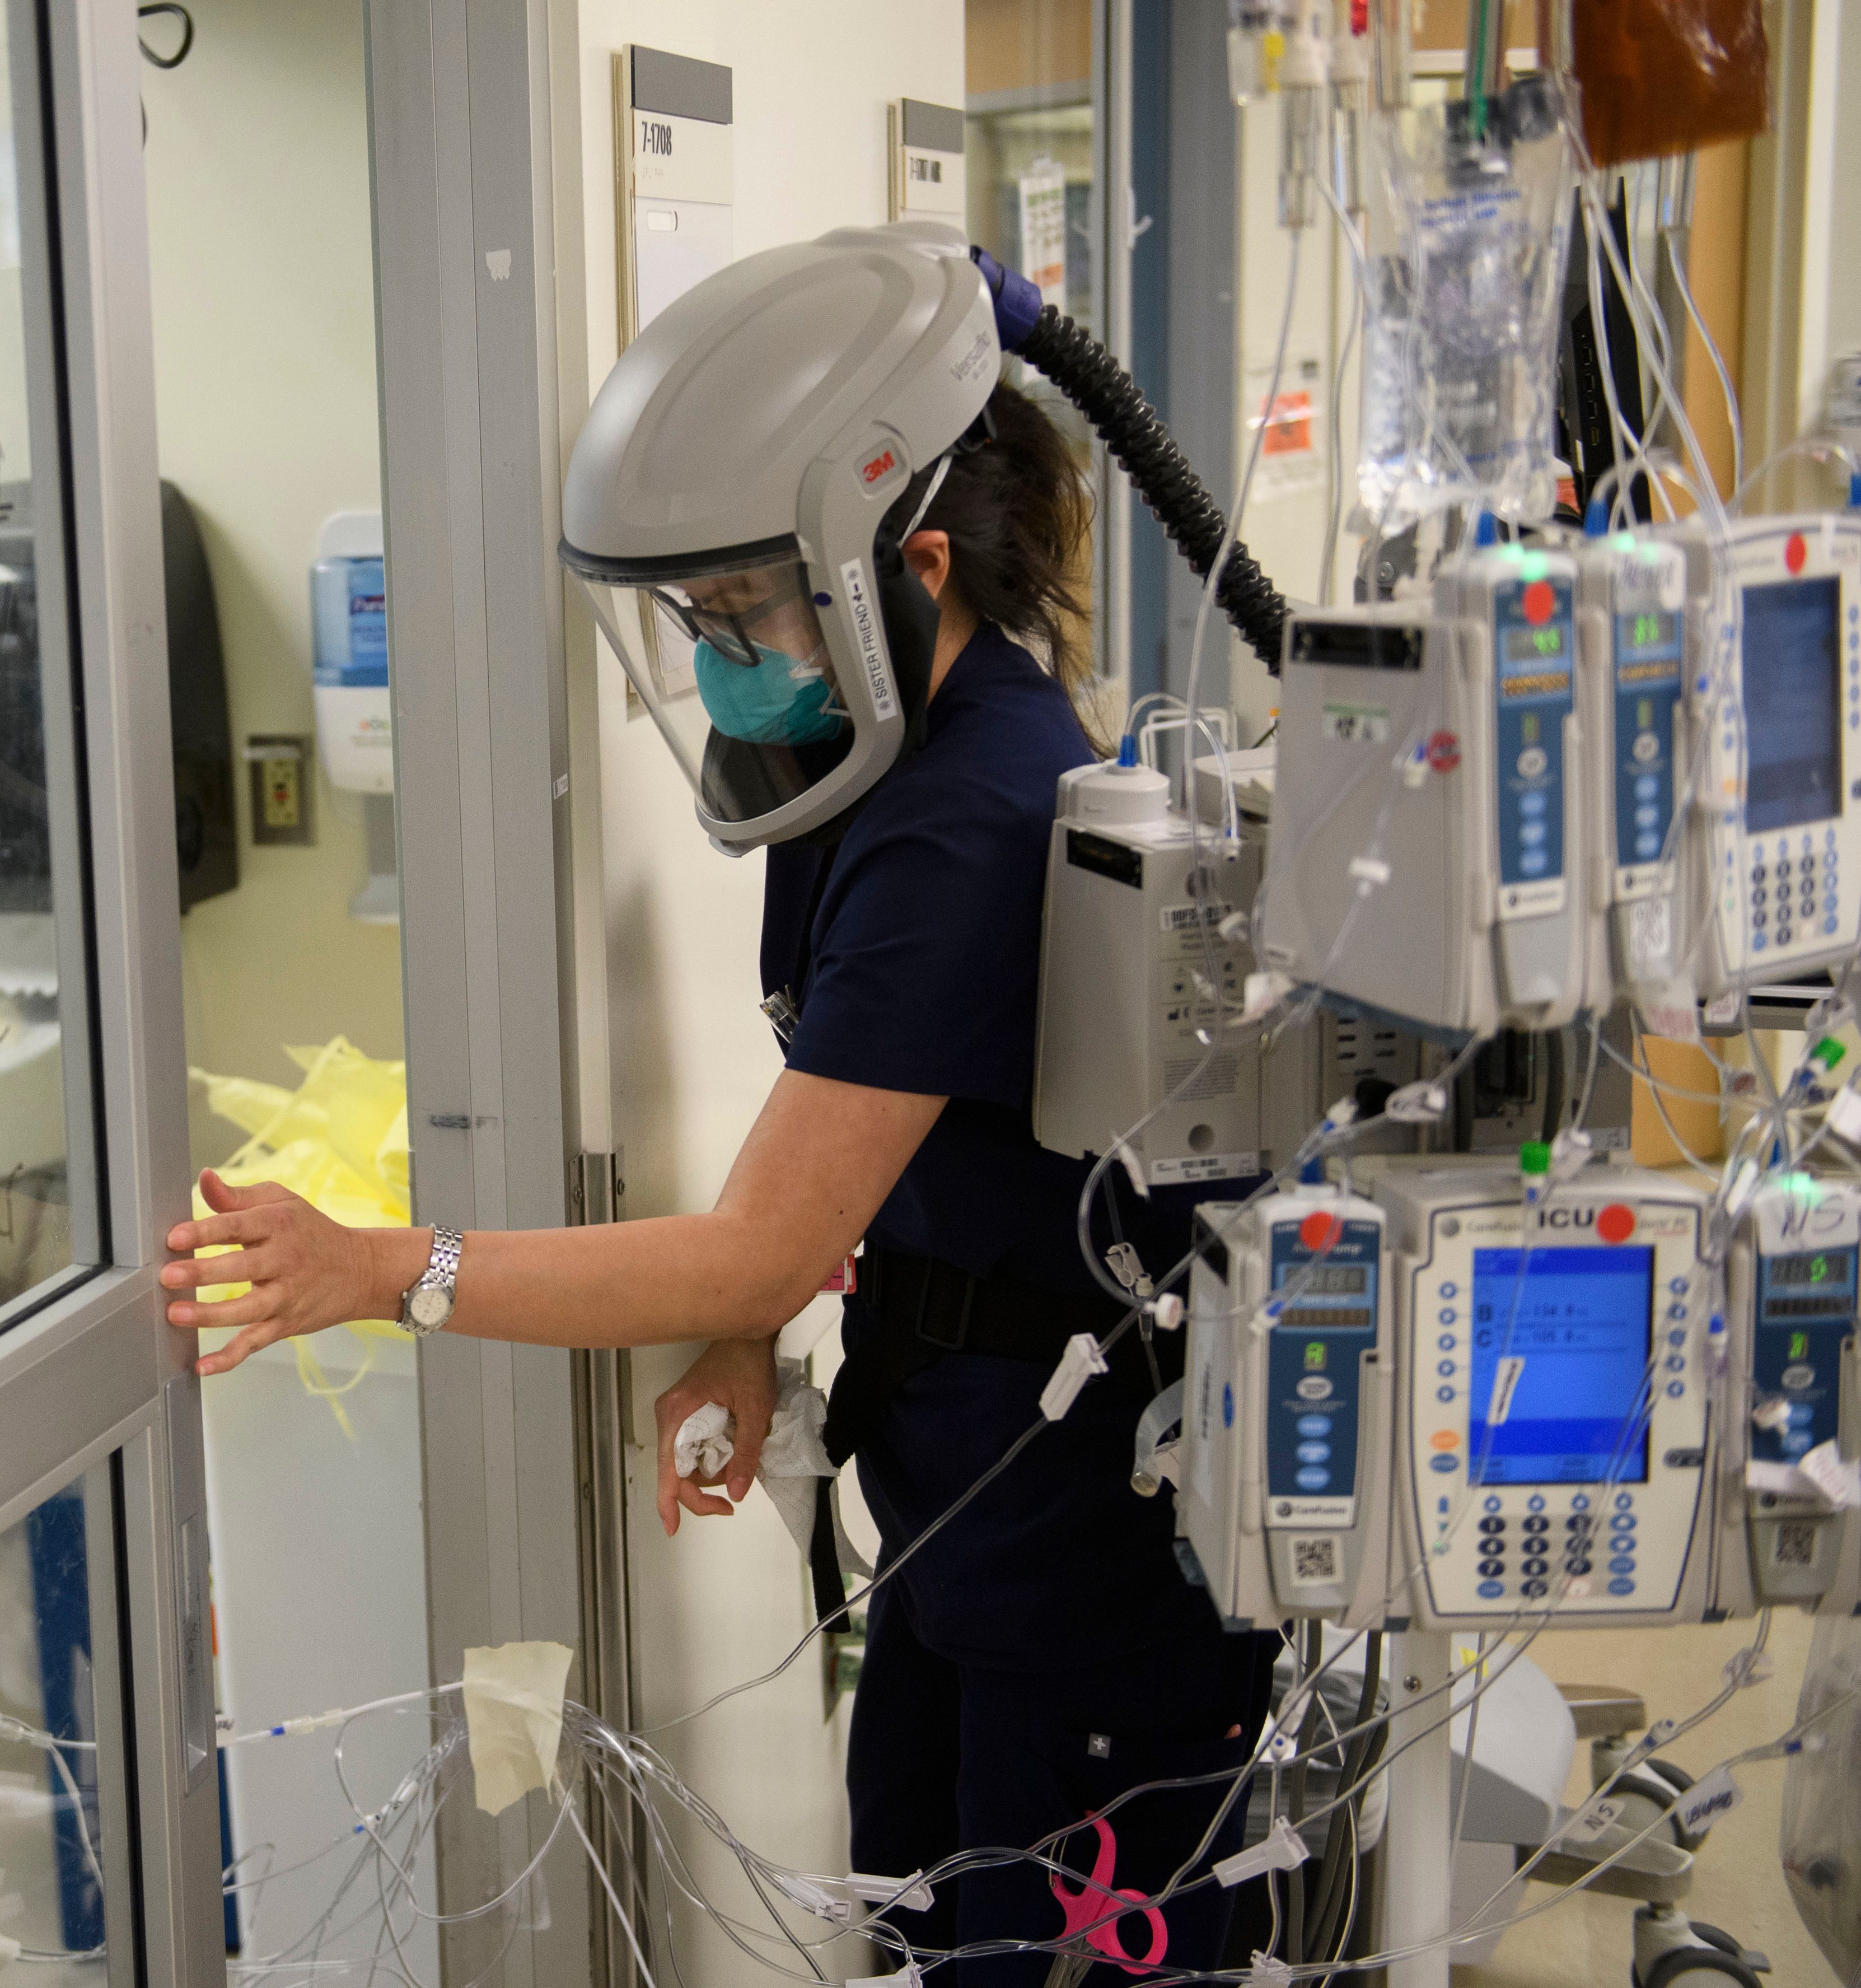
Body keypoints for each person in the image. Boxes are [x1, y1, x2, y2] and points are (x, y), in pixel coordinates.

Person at [160, 228, 1276, 1986]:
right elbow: (848, 1142)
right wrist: (753, 1341)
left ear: (901, 565)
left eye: (740, 611)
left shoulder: (977, 804)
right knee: (913, 1922)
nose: (718, 652)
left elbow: (762, 1236)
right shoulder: (862, 751)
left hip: (1084, 1553)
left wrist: (388, 1268)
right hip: (960, 1499)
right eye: (695, 619)